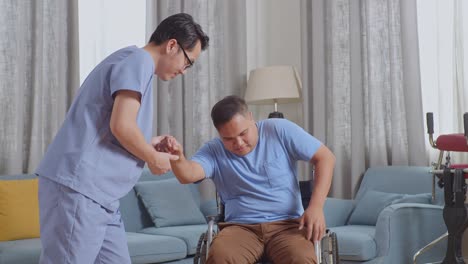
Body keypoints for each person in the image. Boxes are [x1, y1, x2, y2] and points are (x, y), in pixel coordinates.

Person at [35, 13, 209, 264]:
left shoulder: (132, 62)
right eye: (188, 62)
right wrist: (151, 157)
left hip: (102, 197)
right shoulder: (138, 61)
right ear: (172, 45)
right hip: (80, 189)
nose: (184, 70)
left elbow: (108, 128)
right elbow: (121, 125)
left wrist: (147, 144)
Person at [164, 95, 335, 264]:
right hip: (240, 228)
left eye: (243, 133)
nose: (238, 143)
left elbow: (326, 158)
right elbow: (188, 175)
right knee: (220, 258)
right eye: (228, 139)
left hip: (288, 226)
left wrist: (316, 207)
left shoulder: (278, 130)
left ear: (251, 118)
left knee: (302, 259)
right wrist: (178, 158)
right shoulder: (213, 150)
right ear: (219, 134)